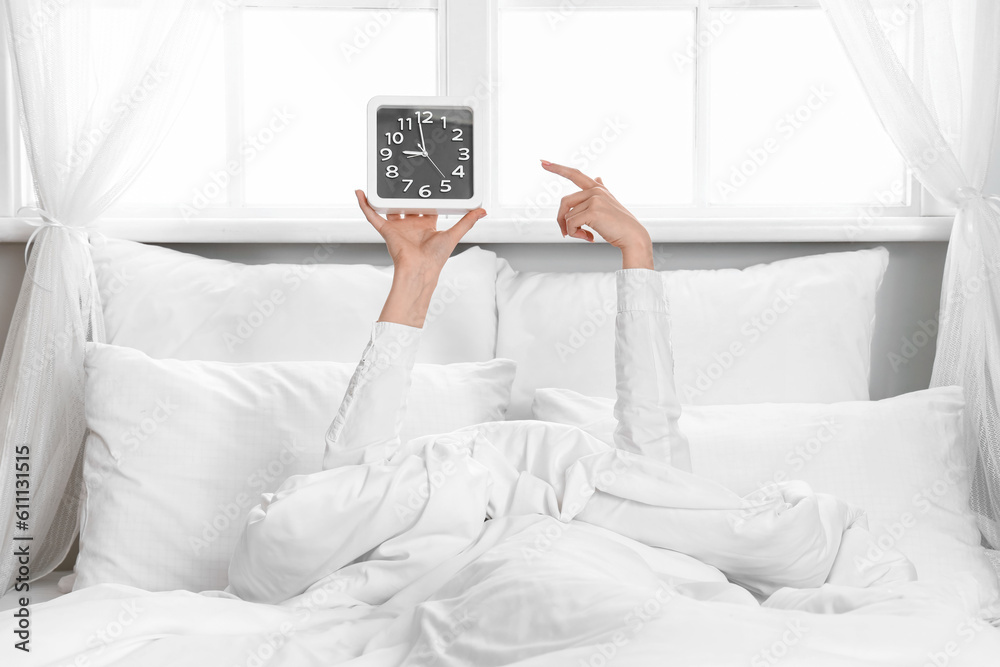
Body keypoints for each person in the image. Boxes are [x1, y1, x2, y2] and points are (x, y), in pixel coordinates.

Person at [227, 161, 915, 606]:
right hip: (467, 586)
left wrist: (637, 253)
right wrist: (414, 279)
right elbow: (322, 512)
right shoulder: (401, 510)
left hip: (597, 584)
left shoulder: (631, 505)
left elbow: (666, 466)